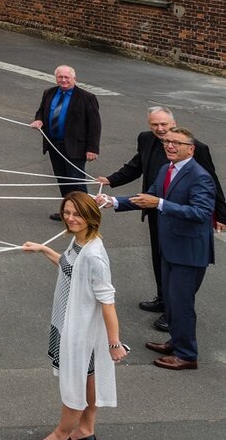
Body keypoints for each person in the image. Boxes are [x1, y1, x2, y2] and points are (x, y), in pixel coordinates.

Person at [98, 127, 216, 371]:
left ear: (190, 149)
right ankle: (176, 341)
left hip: (188, 252)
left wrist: (161, 203)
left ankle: (187, 355)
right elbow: (148, 196)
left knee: (182, 304)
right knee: (171, 301)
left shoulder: (200, 176)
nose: (169, 146)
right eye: (167, 142)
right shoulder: (166, 169)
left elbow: (201, 213)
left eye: (176, 143)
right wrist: (114, 201)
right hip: (170, 247)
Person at [22, 192, 127, 440]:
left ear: (91, 216)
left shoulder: (93, 255)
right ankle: (86, 431)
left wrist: (114, 343)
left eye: (77, 214)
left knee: (73, 386)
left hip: (80, 332)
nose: (70, 218)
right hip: (68, 324)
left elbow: (108, 302)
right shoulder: (79, 241)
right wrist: (43, 249)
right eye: (67, 212)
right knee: (87, 379)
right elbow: (69, 267)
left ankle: (61, 434)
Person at [29, 65, 101, 221]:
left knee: (76, 180)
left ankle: (85, 213)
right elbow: (41, 111)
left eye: (67, 77)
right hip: (54, 144)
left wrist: (92, 149)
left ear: (74, 78)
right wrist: (39, 120)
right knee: (62, 179)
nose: (63, 80)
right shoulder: (49, 92)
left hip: (76, 146)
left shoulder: (87, 97)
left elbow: (95, 125)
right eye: (60, 77)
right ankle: (68, 212)